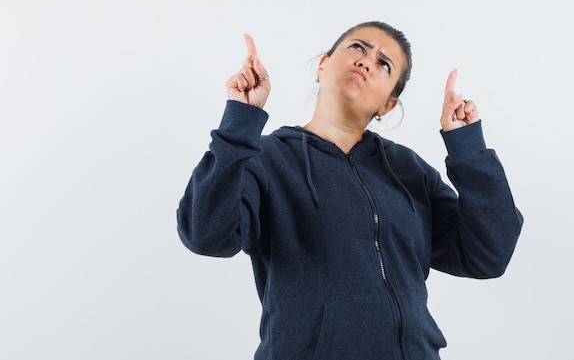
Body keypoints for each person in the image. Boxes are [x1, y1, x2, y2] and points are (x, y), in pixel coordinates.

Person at [176, 21, 523, 360]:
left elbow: (488, 254)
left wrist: (468, 147)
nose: (366, 62)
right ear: (324, 65)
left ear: (388, 104)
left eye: (383, 64)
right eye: (358, 47)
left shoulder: (409, 170)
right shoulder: (266, 159)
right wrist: (241, 121)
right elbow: (205, 234)